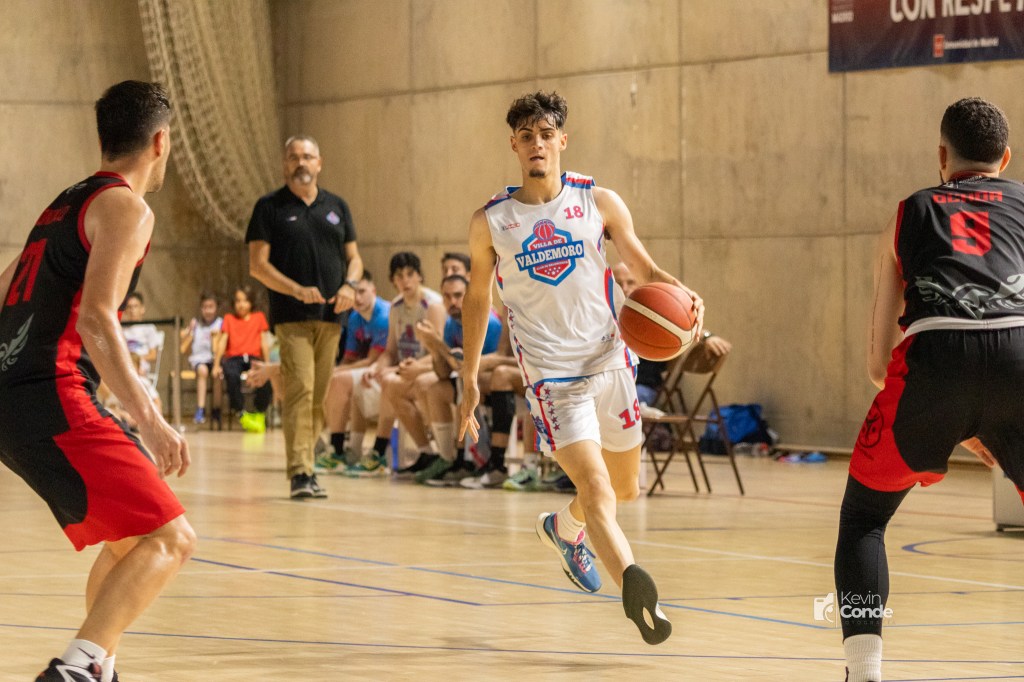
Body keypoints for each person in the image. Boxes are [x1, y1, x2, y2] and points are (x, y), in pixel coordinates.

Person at [458, 91, 704, 645]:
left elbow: (644, 269)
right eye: (526, 136)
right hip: (552, 377)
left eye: (546, 135)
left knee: (624, 490)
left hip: (610, 360)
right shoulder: (491, 221)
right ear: (514, 146)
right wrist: (469, 378)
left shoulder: (599, 201)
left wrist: (685, 298)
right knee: (595, 486)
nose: (537, 145)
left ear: (562, 141)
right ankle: (636, 590)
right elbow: (477, 299)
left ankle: (563, 528)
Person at [0, 80, 194, 682]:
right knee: (172, 539)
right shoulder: (125, 207)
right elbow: (96, 320)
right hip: (52, 392)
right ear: (160, 142)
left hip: (13, 399)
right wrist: (152, 421)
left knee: (131, 542)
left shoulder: (61, 206)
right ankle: (76, 670)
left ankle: (100, 666)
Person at [835, 97, 1024, 682]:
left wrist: (959, 420)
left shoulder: (909, 212)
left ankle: (864, 671)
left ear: (942, 156)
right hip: (1021, 356)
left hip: (934, 362)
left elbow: (878, 363)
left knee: (864, 519)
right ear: (1006, 158)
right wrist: (995, 416)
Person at [247, 134, 364, 500]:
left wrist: (350, 285)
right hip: (292, 316)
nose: (301, 162)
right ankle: (300, 472)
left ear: (319, 163)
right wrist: (295, 289)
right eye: (294, 157)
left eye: (308, 156)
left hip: (332, 317)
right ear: (285, 164)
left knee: (318, 395)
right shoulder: (269, 207)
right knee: (301, 389)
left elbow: (354, 259)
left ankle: (308, 464)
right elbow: (257, 266)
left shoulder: (337, 206)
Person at [343, 252, 446, 477]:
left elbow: (440, 352)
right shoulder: (395, 306)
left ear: (419, 276)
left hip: (432, 369)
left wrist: (396, 369)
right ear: (393, 280)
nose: (405, 280)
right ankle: (425, 453)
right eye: (399, 276)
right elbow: (389, 351)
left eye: (410, 274)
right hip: (406, 371)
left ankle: (381, 451)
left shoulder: (433, 305)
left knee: (391, 382)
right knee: (373, 381)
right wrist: (376, 367)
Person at [413, 273, 507, 486]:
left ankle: (468, 460)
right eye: (447, 297)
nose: (452, 302)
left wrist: (438, 344)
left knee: (461, 387)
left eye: (458, 295)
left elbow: (468, 368)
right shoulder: (451, 323)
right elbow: (443, 372)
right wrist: (433, 348)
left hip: (490, 386)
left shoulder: (488, 323)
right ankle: (448, 458)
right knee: (435, 388)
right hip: (467, 382)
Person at [315, 270, 390, 471]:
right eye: (354, 292)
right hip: (367, 371)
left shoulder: (384, 316)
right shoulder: (355, 318)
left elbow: (373, 360)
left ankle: (338, 449)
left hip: (385, 370)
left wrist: (335, 372)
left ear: (374, 290)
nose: (357, 298)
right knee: (336, 380)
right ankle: (349, 450)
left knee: (340, 380)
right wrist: (335, 371)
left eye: (362, 291)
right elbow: (350, 357)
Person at [213, 286, 272, 434]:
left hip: (253, 358)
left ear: (251, 302)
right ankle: (240, 412)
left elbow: (263, 342)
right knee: (231, 374)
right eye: (238, 301)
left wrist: (268, 364)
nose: (241, 304)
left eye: (245, 301)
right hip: (234, 358)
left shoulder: (259, 317)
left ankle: (260, 412)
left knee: (265, 376)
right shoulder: (229, 319)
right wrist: (216, 364)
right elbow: (222, 342)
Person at [179, 291, 223, 425]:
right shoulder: (196, 324)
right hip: (198, 360)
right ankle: (200, 408)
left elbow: (221, 347)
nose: (208, 310)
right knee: (202, 371)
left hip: (215, 359)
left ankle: (216, 409)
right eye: (205, 307)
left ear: (216, 308)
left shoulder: (220, 323)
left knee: (218, 374)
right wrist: (189, 331)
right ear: (201, 308)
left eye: (211, 307)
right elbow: (183, 348)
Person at [120, 291, 162, 382]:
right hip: (124, 366)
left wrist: (137, 359)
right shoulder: (121, 330)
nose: (132, 310)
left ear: (142, 309)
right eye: (129, 307)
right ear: (125, 310)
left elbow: (153, 355)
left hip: (141, 368)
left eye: (135, 306)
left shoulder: (149, 328)